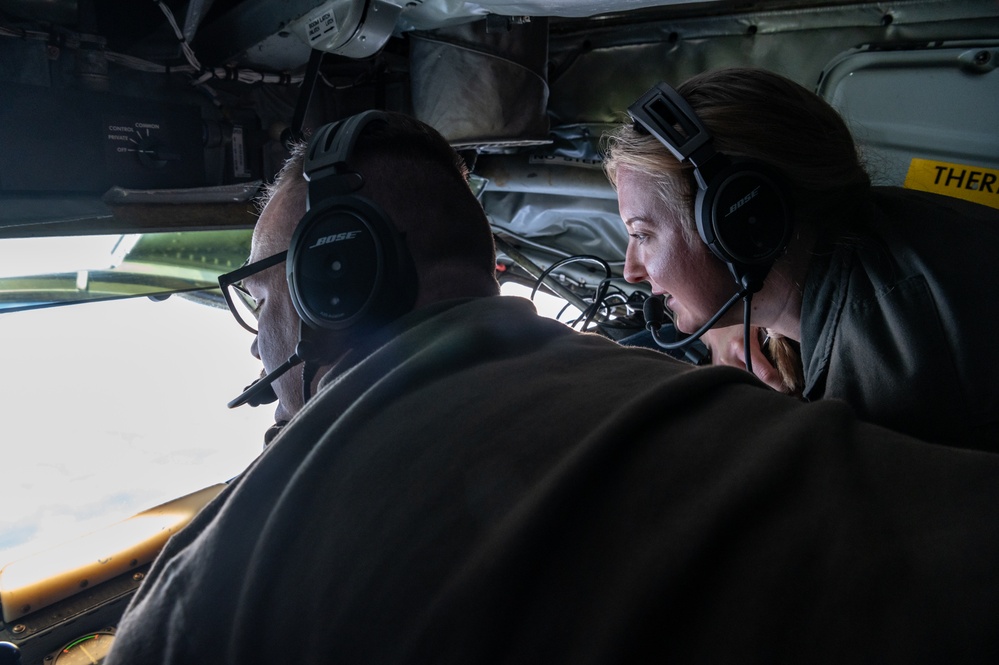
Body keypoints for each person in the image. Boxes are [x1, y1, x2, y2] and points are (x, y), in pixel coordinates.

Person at [105, 110, 999, 665]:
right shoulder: (657, 376)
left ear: (332, 282)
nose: (256, 337)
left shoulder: (235, 562)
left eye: (258, 294)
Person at [603, 67, 999, 452]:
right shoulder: (879, 227)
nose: (631, 271)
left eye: (641, 235)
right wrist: (730, 324)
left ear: (738, 222)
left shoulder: (888, 387)